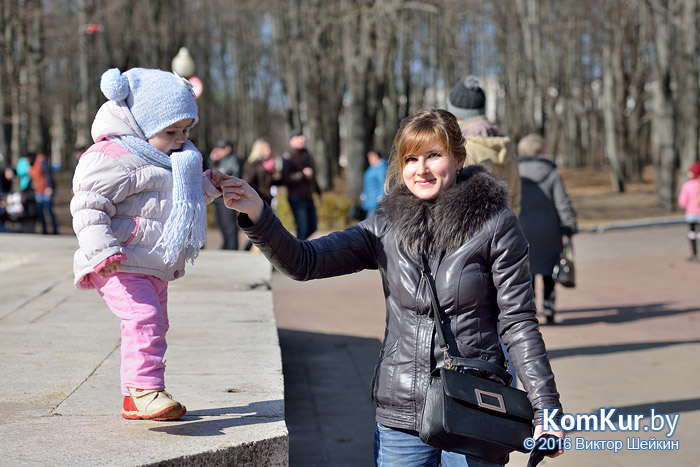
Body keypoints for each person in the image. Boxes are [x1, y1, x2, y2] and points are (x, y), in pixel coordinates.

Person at [221, 109, 564, 466]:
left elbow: (518, 323)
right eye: (411, 159)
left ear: (459, 158)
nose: (422, 169)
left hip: (473, 407)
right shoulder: (385, 226)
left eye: (434, 155)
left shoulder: (496, 225)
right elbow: (304, 261)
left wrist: (546, 409)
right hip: (402, 412)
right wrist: (257, 214)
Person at [71, 68, 223, 421]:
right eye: (170, 131)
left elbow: (172, 201)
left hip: (151, 261)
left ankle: (131, 398)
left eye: (186, 130)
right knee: (144, 317)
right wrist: (102, 251)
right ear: (140, 123)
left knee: (157, 322)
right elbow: (88, 205)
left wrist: (210, 186)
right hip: (118, 260)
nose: (180, 139)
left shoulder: (173, 161)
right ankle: (146, 389)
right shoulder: (113, 156)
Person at [517, 134, 577, 325]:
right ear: (541, 150)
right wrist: (569, 224)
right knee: (551, 269)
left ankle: (531, 308)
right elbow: (562, 202)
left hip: (522, 228)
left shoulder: (516, 172)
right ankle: (550, 307)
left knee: (528, 270)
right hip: (549, 229)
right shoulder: (551, 172)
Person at [447, 75, 520, 216]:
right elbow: (516, 199)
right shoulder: (506, 146)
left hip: (473, 235)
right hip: (507, 232)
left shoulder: (461, 150)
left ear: (453, 112)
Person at [281, 128, 321, 240]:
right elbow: (286, 178)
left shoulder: (306, 153)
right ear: (292, 140)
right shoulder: (288, 155)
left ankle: (299, 248)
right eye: (298, 137)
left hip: (308, 196)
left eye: (302, 136)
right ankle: (299, 253)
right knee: (302, 227)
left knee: (313, 226)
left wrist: (318, 192)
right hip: (296, 197)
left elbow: (312, 176)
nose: (302, 139)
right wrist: (302, 174)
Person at [209, 139, 243, 250]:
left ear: (228, 148)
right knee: (220, 223)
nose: (219, 151)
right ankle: (226, 245)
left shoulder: (234, 159)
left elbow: (233, 175)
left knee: (229, 225)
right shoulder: (220, 160)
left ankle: (232, 247)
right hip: (217, 197)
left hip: (227, 196)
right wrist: (212, 160)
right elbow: (209, 174)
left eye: (222, 148)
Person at [24, 148, 58, 235]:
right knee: (40, 211)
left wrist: (49, 186)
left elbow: (48, 173)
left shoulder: (40, 160)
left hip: (46, 190)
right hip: (38, 191)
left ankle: (54, 230)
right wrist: (24, 190)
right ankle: (44, 230)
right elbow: (31, 179)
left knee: (48, 210)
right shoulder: (30, 166)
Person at [678, 161, 700, 262]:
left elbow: (682, 202)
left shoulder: (687, 185)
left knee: (692, 233)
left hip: (691, 214)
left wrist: (685, 206)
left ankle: (695, 254)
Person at [361, 150, 388, 218]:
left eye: (371, 157)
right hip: (370, 199)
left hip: (376, 201)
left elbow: (383, 182)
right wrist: (364, 194)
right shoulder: (373, 168)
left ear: (377, 156)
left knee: (372, 222)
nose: (370, 159)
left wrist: (381, 196)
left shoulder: (381, 168)